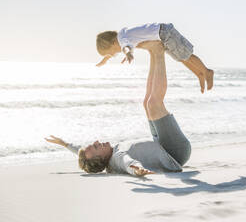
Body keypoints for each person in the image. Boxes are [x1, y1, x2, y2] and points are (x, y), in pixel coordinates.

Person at [45, 41, 191, 177]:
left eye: (93, 144)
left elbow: (82, 152)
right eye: (96, 147)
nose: (97, 141)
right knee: (154, 104)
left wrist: (65, 144)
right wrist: (137, 170)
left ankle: (153, 53)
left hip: (161, 145)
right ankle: (158, 51)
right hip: (174, 151)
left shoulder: (108, 156)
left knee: (146, 103)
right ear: (102, 158)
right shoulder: (118, 156)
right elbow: (128, 163)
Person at [95, 23, 214, 93]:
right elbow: (128, 45)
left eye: (112, 52)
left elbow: (125, 47)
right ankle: (199, 74)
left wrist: (127, 53)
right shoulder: (123, 35)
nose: (115, 54)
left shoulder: (122, 39)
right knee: (180, 58)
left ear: (112, 43)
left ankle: (207, 71)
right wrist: (106, 59)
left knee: (185, 55)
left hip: (164, 33)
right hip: (162, 35)